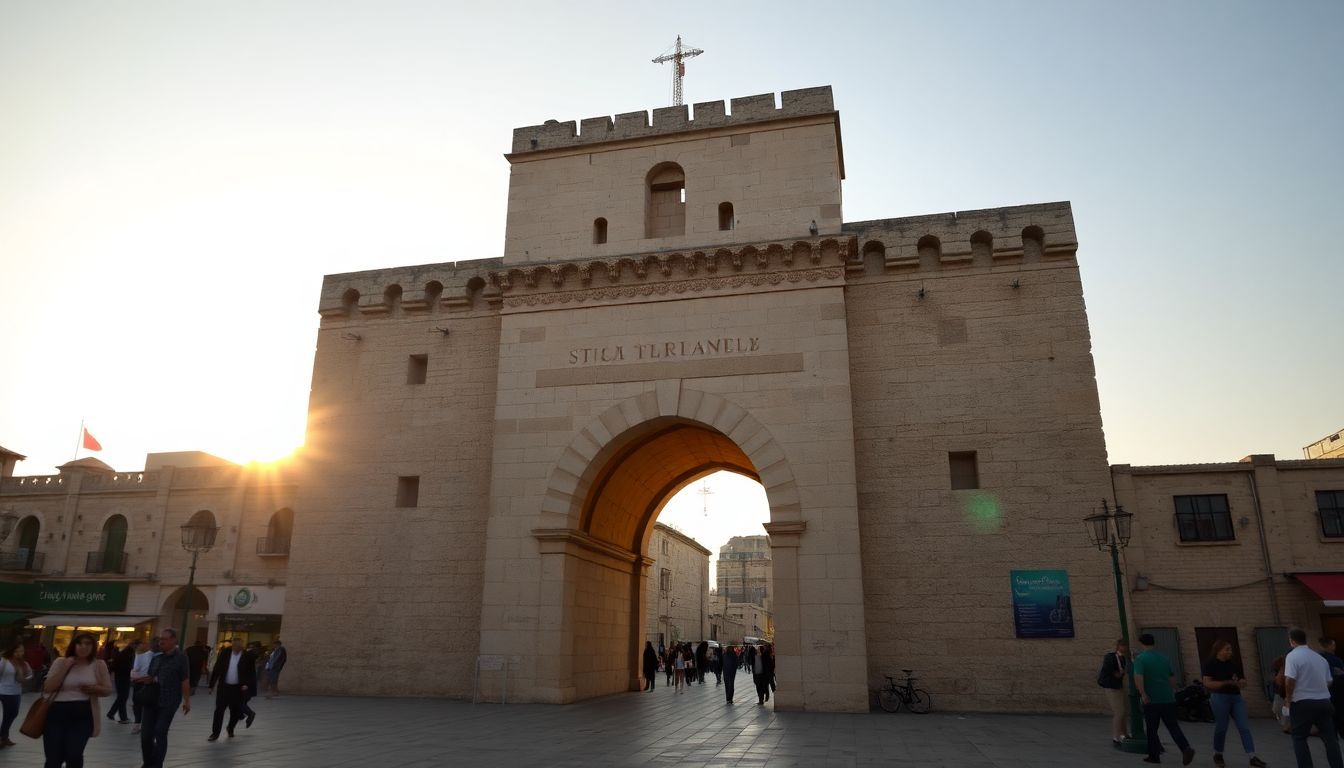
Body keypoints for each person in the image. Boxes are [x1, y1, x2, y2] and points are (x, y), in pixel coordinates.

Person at [42, 631, 113, 768]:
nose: (83, 647)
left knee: (74, 754)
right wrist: (66, 667)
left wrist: (95, 688)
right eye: (79, 643)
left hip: (82, 714)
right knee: (53, 758)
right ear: (73, 645)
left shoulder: (98, 664)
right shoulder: (61, 662)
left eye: (88, 644)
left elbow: (108, 690)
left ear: (93, 647)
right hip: (56, 713)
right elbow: (48, 687)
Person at [1132, 632, 1196, 765]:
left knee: (1151, 729)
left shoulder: (1140, 659)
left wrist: (1143, 694)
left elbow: (1139, 677)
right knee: (1173, 726)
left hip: (1152, 699)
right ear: (1153, 643)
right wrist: (1171, 691)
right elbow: (1172, 679)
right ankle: (1185, 748)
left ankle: (1154, 756)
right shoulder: (1164, 658)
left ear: (1141, 643)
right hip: (1167, 697)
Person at [1200, 640, 1265, 768]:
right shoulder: (1210, 664)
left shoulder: (1234, 664)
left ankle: (1252, 756)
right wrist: (1226, 683)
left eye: (1230, 649)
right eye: (1227, 649)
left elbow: (1242, 679)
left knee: (1244, 727)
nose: (1230, 652)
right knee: (1222, 727)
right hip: (1220, 697)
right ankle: (1218, 754)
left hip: (1236, 698)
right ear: (1219, 650)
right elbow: (1207, 683)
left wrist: (1242, 682)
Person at [1284, 627, 1342, 768]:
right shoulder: (1319, 658)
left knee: (1299, 738)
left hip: (1302, 702)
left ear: (1291, 641)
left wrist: (1288, 699)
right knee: (1330, 739)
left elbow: (1290, 680)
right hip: (1324, 701)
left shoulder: (1292, 656)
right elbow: (1329, 681)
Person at [137, 628, 191, 768]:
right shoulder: (156, 657)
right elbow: (150, 677)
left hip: (169, 700)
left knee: (160, 731)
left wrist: (187, 700)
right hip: (151, 699)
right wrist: (143, 679)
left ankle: (156, 765)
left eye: (165, 639)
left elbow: (184, 680)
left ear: (173, 640)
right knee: (146, 736)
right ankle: (148, 763)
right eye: (161, 639)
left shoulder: (181, 657)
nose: (161, 642)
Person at [207, 636, 256, 741]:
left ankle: (230, 728)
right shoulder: (225, 653)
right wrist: (211, 685)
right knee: (219, 710)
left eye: (239, 646)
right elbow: (217, 668)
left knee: (235, 711)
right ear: (232, 645)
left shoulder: (247, 656)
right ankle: (215, 733)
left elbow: (251, 672)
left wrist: (247, 684)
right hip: (224, 687)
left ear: (242, 646)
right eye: (235, 646)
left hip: (238, 688)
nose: (237, 649)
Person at [1097, 638, 1130, 747]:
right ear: (1118, 646)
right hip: (1112, 686)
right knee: (1119, 712)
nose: (1125, 648)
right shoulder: (1111, 657)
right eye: (1123, 646)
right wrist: (1117, 673)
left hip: (1119, 686)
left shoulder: (1125, 658)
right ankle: (1116, 737)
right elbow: (1109, 669)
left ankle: (1124, 734)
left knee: (1123, 712)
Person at [0, 642, 32, 747]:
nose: (19, 653)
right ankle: (3, 737)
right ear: (11, 651)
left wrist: (25, 678)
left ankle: (4, 736)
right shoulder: (4, 661)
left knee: (13, 714)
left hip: (16, 692)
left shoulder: (24, 663)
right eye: (16, 650)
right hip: (4, 691)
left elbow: (30, 674)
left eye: (21, 651)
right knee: (9, 714)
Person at [129, 636, 159, 735]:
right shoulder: (160, 656)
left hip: (140, 682)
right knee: (150, 705)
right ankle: (147, 724)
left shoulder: (141, 655)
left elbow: (136, 669)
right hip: (153, 684)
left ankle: (137, 724)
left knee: (137, 704)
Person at [106, 638, 137, 725]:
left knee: (121, 697)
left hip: (119, 676)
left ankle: (112, 713)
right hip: (124, 676)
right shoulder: (129, 653)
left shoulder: (122, 652)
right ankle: (122, 717)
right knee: (123, 697)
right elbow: (128, 666)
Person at [1320, 638, 1344, 738]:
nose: (1334, 647)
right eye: (1333, 644)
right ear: (1328, 646)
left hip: (1326, 695)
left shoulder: (1320, 658)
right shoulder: (1335, 660)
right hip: (1337, 693)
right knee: (1340, 716)